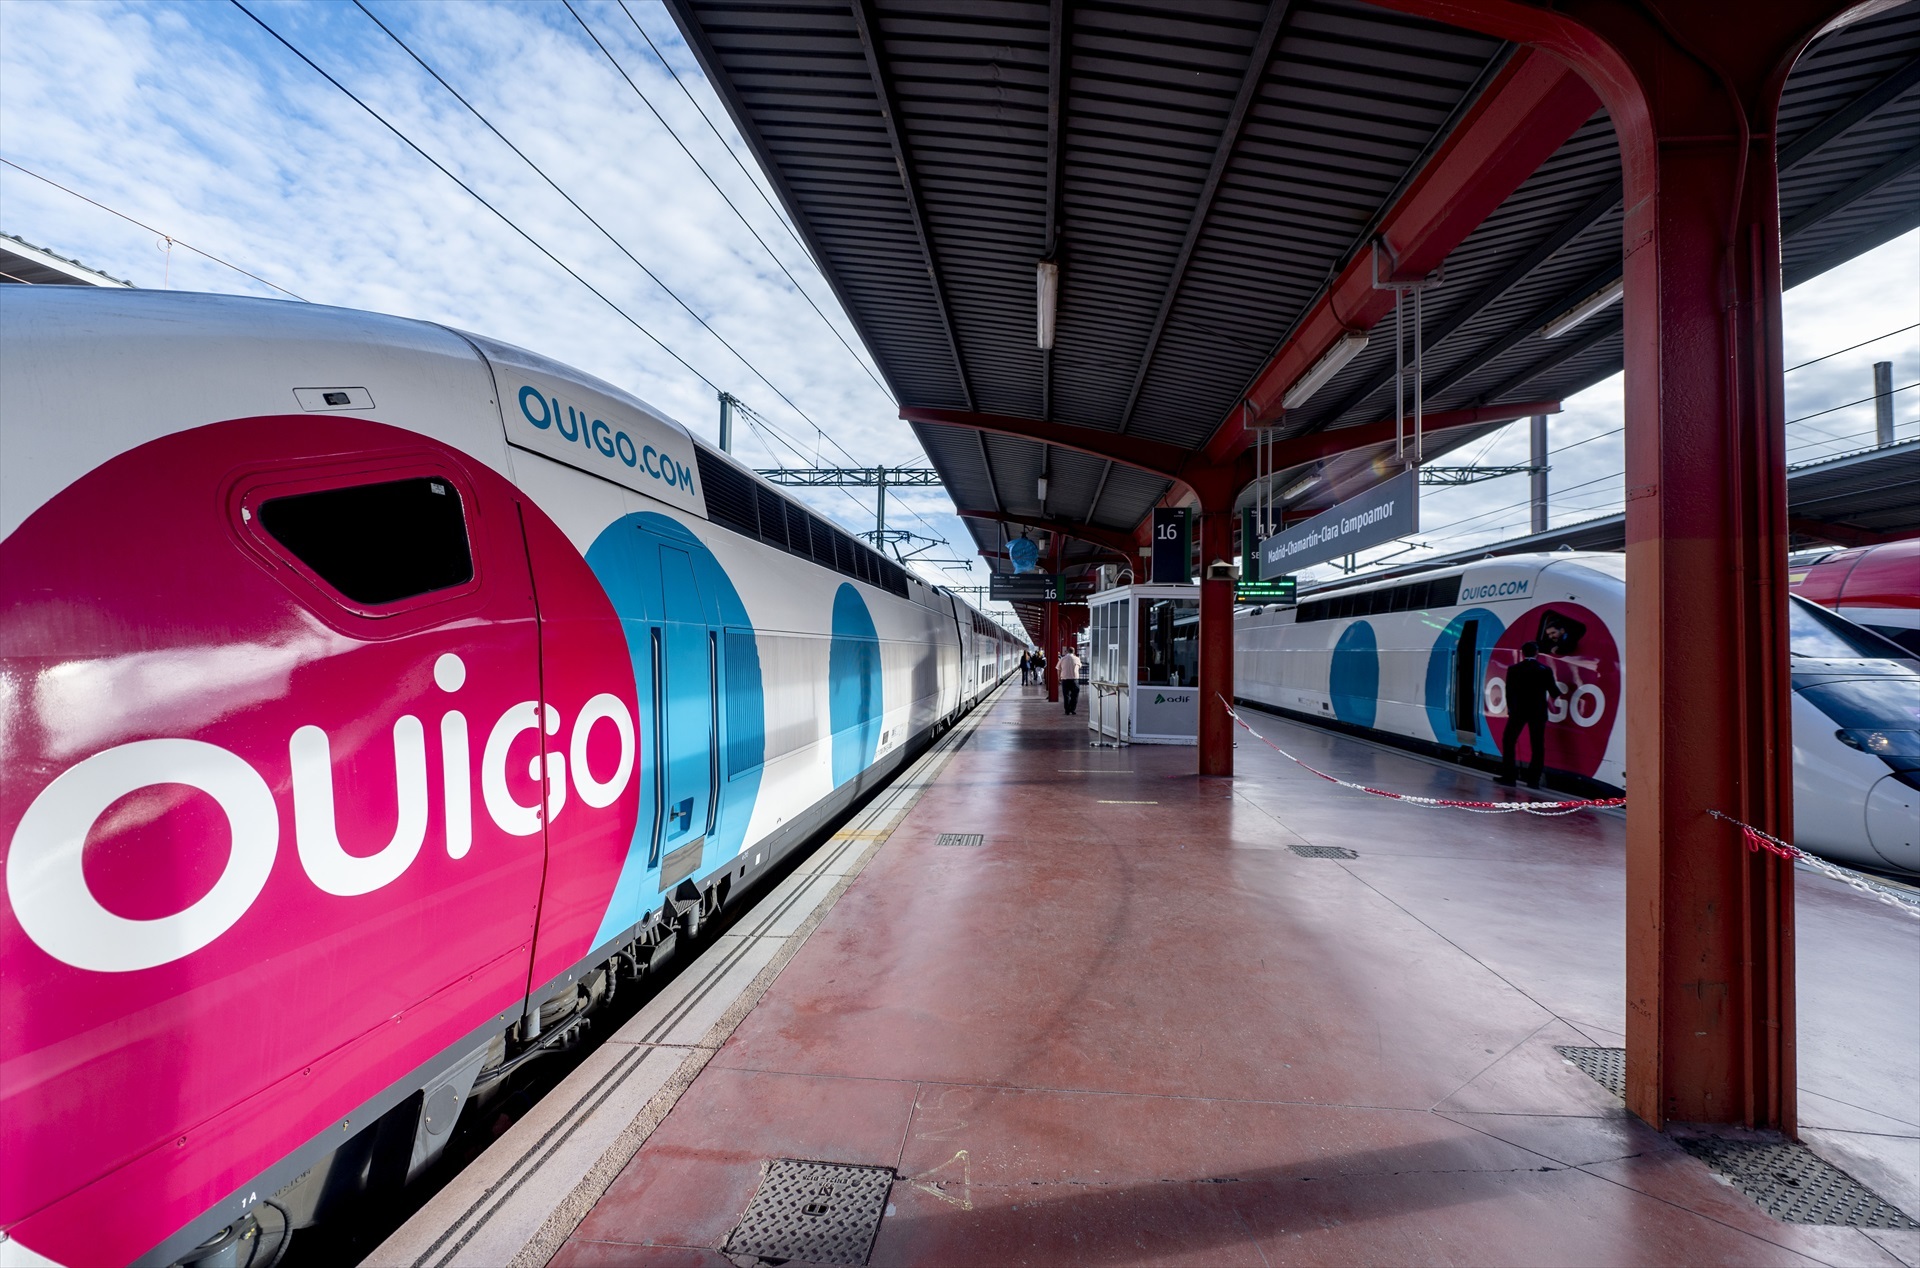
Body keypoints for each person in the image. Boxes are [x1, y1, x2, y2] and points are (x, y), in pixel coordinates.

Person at [1496, 641, 1568, 789]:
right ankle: (1533, 781)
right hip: (1538, 712)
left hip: (1518, 712)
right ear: (1537, 653)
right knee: (1538, 745)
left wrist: (1511, 710)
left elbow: (1509, 692)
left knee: (1509, 740)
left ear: (1523, 653)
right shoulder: (1545, 670)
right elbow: (1554, 692)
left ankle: (1509, 777)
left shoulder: (1514, 669)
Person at [1058, 647, 1082, 716]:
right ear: (1073, 651)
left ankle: (1067, 711)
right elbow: (1080, 666)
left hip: (1065, 679)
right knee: (1075, 695)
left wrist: (1059, 677)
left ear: (1067, 651)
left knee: (1066, 695)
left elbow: (1058, 668)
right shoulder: (1077, 659)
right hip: (1074, 680)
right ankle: (1072, 709)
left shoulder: (1062, 659)